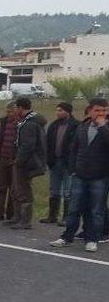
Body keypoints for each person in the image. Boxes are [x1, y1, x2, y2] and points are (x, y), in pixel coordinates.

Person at [50, 98, 109, 253]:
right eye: (97, 110)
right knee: (74, 208)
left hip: (100, 176)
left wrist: (103, 127)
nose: (101, 114)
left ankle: (92, 238)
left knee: (96, 210)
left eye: (104, 110)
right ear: (90, 111)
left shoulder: (107, 128)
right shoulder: (82, 127)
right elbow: (74, 149)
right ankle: (67, 236)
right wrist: (73, 168)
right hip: (79, 175)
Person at [4, 97, 47, 230]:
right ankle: (17, 217)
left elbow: (27, 145)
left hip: (26, 163)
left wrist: (18, 161)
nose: (15, 110)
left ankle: (25, 220)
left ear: (20, 108)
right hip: (22, 160)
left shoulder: (29, 124)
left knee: (23, 191)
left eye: (16, 108)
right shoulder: (26, 122)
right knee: (16, 190)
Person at [41, 102, 79, 225]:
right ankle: (52, 215)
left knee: (68, 191)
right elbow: (48, 143)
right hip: (54, 161)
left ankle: (67, 217)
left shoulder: (76, 125)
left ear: (68, 112)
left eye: (61, 110)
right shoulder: (53, 125)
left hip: (68, 163)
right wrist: (48, 159)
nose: (58, 113)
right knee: (54, 190)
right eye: (57, 110)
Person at [0, 101, 18, 221]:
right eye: (7, 111)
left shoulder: (21, 123)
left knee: (14, 188)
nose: (8, 114)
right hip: (2, 158)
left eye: (10, 111)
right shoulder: (2, 122)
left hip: (14, 160)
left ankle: (11, 213)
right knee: (1, 187)